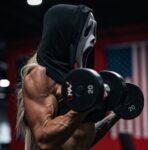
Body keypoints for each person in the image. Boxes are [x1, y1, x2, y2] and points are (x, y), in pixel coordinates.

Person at [16, 4, 97, 150]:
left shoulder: (73, 79)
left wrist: (116, 113)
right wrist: (82, 107)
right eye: (87, 29)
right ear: (65, 32)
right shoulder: (40, 77)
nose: (93, 39)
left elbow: (80, 139)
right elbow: (44, 141)